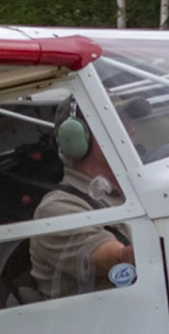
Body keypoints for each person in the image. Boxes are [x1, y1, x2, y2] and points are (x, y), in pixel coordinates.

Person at [29, 107, 135, 298]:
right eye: (117, 123)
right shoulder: (56, 209)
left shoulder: (128, 195)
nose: (131, 130)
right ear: (77, 140)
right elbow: (115, 259)